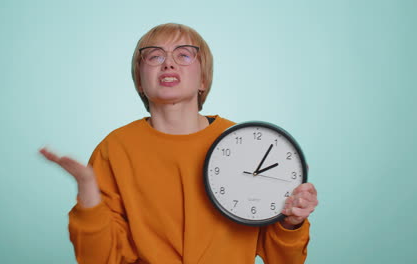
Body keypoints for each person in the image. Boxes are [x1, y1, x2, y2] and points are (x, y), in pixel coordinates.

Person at [39, 23, 318, 264]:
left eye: (184, 54)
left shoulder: (246, 142)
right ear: (139, 81)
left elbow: (283, 259)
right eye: (154, 56)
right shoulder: (115, 149)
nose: (168, 63)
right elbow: (99, 259)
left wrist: (290, 221)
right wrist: (88, 190)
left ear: (204, 79)